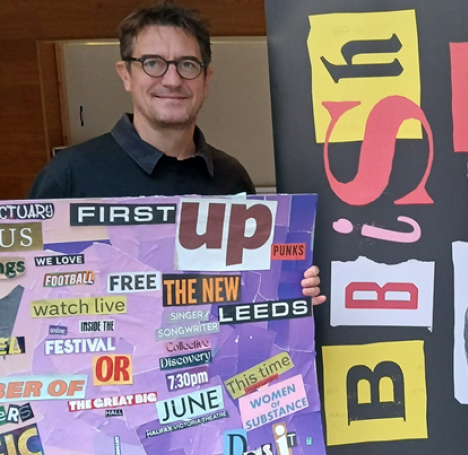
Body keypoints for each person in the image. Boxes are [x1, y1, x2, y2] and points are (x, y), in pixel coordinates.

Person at [27, 3, 326, 304]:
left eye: (187, 65)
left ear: (206, 80)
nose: (172, 80)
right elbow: (25, 299)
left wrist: (291, 291)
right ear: (126, 74)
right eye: (152, 63)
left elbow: (252, 289)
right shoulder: (68, 177)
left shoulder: (231, 178)